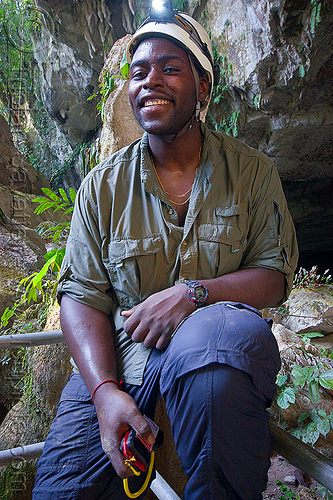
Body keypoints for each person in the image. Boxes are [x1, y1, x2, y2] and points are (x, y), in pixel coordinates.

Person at [33, 6, 298, 500]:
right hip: (125, 355)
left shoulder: (252, 173)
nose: (150, 80)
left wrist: (193, 294)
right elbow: (80, 296)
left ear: (203, 88)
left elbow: (274, 274)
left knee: (215, 350)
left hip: (215, 345)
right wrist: (105, 392)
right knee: (59, 490)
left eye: (169, 68)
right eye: (139, 72)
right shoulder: (102, 187)